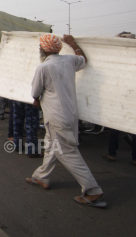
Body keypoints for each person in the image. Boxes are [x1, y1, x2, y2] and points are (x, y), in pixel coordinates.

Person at [26, 34, 106, 208]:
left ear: (43, 49)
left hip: (56, 117)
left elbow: (34, 93)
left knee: (67, 152)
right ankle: (41, 177)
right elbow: (83, 59)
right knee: (51, 146)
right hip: (69, 114)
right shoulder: (69, 60)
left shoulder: (43, 67)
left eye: (40, 47)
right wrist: (73, 43)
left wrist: (37, 100)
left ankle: (92, 190)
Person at [104, 32, 136, 167]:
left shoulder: (116, 60)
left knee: (116, 127)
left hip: (120, 97)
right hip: (134, 97)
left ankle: (111, 154)